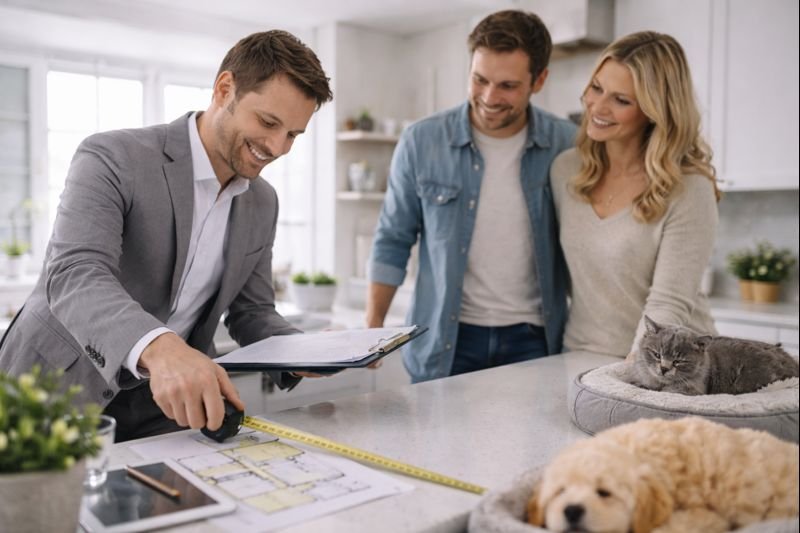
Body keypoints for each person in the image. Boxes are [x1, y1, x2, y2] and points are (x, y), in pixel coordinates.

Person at [0, 30, 333, 441]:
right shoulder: (112, 156)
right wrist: (161, 348)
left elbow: (253, 312)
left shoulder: (263, 201)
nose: (279, 147)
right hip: (52, 388)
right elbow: (75, 274)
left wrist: (303, 351)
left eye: (293, 135)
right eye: (268, 122)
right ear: (224, 89)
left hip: (162, 408)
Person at [366, 10, 576, 382]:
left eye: (507, 86)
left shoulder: (568, 145)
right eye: (479, 80)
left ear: (539, 80)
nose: (489, 97)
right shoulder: (421, 141)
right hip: (446, 339)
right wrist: (372, 327)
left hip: (534, 339)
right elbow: (393, 239)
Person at [549, 31, 720, 358]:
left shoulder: (688, 188)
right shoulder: (565, 171)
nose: (598, 107)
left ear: (655, 111)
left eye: (621, 100)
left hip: (668, 366)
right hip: (582, 355)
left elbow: (667, 304)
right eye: (596, 88)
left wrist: (632, 374)